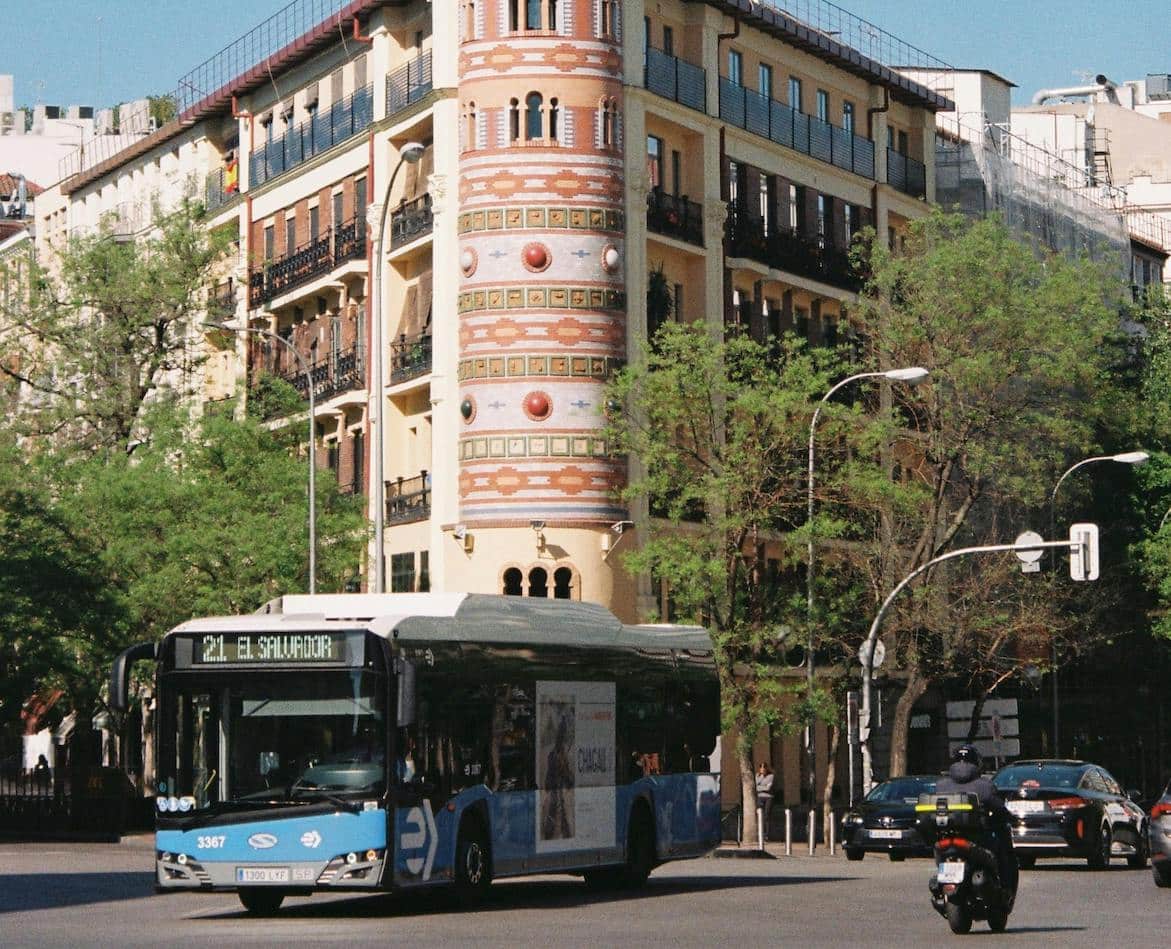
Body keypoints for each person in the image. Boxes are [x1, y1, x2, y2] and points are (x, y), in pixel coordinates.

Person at [935, 744, 1018, 894]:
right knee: (1004, 852)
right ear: (977, 763)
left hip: (947, 838)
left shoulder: (940, 785)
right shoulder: (985, 785)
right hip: (978, 839)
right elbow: (999, 808)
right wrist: (1010, 817)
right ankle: (1005, 889)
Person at [756, 762, 775, 841]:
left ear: (767, 768)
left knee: (766, 816)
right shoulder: (757, 776)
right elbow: (756, 787)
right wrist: (761, 779)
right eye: (761, 768)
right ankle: (760, 833)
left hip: (768, 798)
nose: (763, 769)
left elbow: (768, 788)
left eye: (764, 768)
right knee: (760, 815)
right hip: (760, 797)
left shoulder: (771, 776)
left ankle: (767, 835)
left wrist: (760, 787)